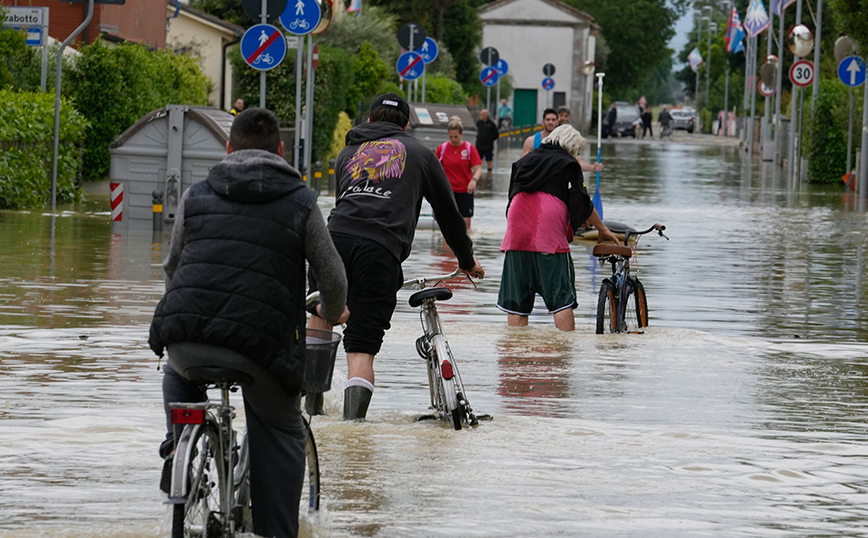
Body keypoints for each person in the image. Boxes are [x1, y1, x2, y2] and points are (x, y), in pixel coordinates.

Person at [149, 108, 349, 538]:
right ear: (281, 150)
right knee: (279, 429)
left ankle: (178, 448)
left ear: (228, 148)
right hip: (262, 348)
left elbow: (172, 267)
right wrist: (332, 312)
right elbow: (333, 279)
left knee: (177, 375)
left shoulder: (196, 195)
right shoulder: (302, 201)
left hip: (186, 338)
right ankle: (275, 530)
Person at [307, 93, 485, 421]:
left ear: (370, 120)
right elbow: (449, 215)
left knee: (320, 323)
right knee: (360, 349)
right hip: (379, 250)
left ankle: (311, 420)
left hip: (331, 243)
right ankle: (352, 430)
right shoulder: (421, 154)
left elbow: (342, 204)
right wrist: (466, 259)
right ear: (405, 125)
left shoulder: (347, 153)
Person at [498, 124, 620, 331]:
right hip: (548, 233)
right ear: (571, 146)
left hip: (516, 230)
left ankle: (516, 348)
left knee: (517, 304)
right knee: (561, 301)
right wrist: (602, 228)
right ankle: (565, 347)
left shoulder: (524, 160)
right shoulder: (568, 163)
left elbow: (512, 197)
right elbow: (582, 202)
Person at [522, 108, 603, 175]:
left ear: (558, 122)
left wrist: (593, 167)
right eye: (548, 120)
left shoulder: (564, 142)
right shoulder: (531, 141)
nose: (550, 122)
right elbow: (522, 164)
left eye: (553, 120)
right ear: (543, 121)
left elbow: (576, 162)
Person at [437, 116, 483, 231]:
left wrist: (474, 180)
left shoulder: (469, 148)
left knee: (465, 225)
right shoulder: (442, 149)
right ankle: (445, 243)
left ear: (461, 135)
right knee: (447, 225)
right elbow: (434, 169)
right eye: (451, 137)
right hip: (447, 191)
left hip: (465, 190)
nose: (453, 140)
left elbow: (478, 169)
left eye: (456, 137)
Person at [475, 109, 499, 177]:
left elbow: (496, 134)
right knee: (478, 161)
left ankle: (489, 174)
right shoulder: (478, 123)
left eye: (482, 114)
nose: (480, 116)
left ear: (486, 115)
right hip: (479, 146)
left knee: (489, 160)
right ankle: (478, 174)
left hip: (488, 146)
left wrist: (490, 139)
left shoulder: (491, 124)